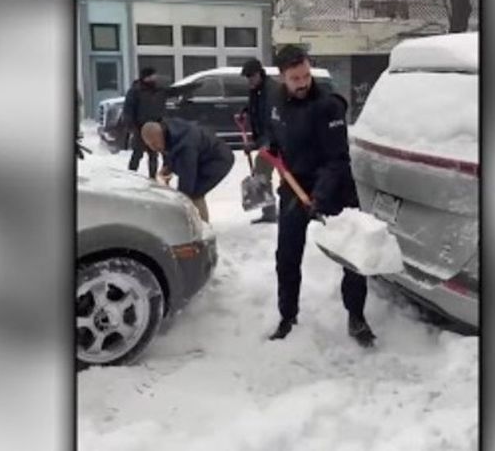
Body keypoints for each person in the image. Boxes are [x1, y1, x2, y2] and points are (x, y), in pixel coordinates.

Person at [263, 45, 376, 348]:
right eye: (295, 78)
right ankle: (287, 317)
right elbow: (273, 128)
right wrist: (271, 144)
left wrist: (319, 196)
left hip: (334, 185)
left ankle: (357, 316)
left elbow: (337, 160)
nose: (302, 83)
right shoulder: (275, 99)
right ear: (282, 78)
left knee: (351, 254)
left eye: (305, 75)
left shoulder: (328, 107)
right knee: (287, 255)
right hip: (294, 182)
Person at [140, 118, 234, 223]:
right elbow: (170, 151)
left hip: (218, 160)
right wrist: (168, 166)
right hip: (202, 157)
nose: (153, 148)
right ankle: (191, 223)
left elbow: (187, 180)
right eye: (149, 145)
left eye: (154, 144)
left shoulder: (186, 147)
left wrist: (180, 200)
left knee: (195, 193)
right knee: (189, 193)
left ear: (160, 135)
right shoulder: (169, 132)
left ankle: (201, 226)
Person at [237, 58, 280, 224]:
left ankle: (301, 209)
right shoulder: (256, 90)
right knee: (262, 173)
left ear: (259, 74)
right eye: (247, 77)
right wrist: (245, 111)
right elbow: (256, 107)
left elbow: (273, 121)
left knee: (287, 176)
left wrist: (256, 144)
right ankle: (269, 212)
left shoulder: (272, 91)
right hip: (267, 140)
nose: (249, 80)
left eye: (251, 76)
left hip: (279, 140)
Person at [117, 67, 167, 178]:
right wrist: (131, 126)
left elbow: (175, 91)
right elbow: (128, 109)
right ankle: (131, 175)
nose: (155, 77)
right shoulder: (136, 91)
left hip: (155, 126)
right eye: (152, 75)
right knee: (137, 153)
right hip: (140, 126)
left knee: (153, 154)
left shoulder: (159, 90)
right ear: (146, 77)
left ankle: (152, 177)